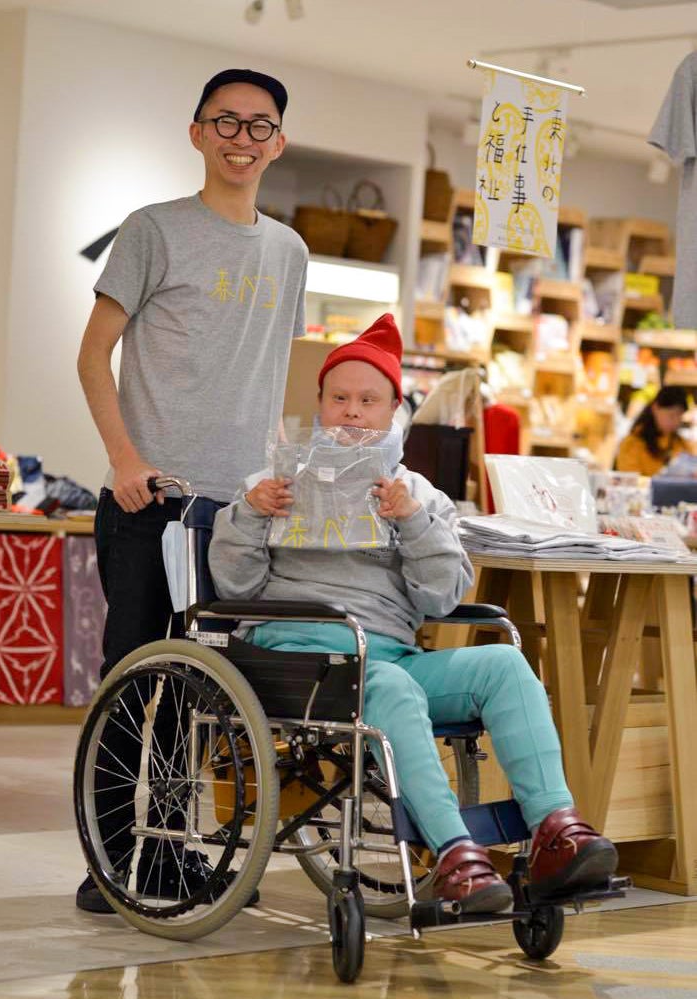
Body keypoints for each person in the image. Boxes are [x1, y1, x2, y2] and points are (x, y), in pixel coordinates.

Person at [209, 314, 619, 913]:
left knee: (504, 664)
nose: (352, 413)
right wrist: (249, 513)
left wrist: (414, 523)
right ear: (319, 405)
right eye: (339, 399)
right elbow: (235, 586)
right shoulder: (272, 483)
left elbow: (442, 597)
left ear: (393, 411)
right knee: (390, 685)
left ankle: (556, 831)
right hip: (298, 656)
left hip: (389, 653)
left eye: (368, 401)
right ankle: (455, 854)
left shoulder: (419, 493)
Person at [75, 67, 308, 912]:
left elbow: (275, 374)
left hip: (238, 514)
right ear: (197, 132)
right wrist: (124, 459)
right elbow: (91, 354)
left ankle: (171, 857)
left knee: (203, 691)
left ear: (278, 142)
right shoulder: (153, 229)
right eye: (226, 122)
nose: (242, 139)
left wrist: (282, 473)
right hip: (152, 500)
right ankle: (111, 858)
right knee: (133, 681)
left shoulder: (289, 251)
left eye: (258, 125)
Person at [615, 385, 691, 476]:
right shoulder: (632, 443)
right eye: (671, 415)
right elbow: (630, 478)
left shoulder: (681, 444)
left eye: (680, 416)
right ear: (655, 408)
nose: (676, 421)